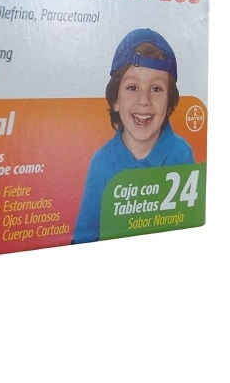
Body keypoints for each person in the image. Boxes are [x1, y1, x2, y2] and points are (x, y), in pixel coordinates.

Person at [72, 28, 194, 243]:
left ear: (169, 104)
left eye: (156, 89)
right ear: (115, 100)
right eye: (132, 87)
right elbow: (85, 235)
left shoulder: (181, 154)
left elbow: (189, 222)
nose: (144, 100)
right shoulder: (101, 162)